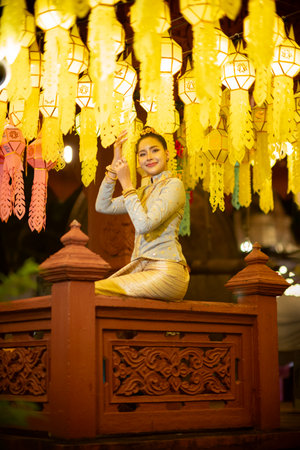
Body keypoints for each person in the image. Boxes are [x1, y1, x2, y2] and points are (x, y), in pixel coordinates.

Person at [95, 127, 189, 301]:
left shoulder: (174, 185)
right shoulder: (141, 192)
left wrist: (127, 183)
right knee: (92, 291)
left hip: (167, 271)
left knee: (93, 290)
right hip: (142, 269)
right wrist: (114, 169)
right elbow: (102, 206)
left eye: (155, 150)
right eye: (143, 154)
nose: (149, 157)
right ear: (138, 160)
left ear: (167, 154)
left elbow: (144, 225)